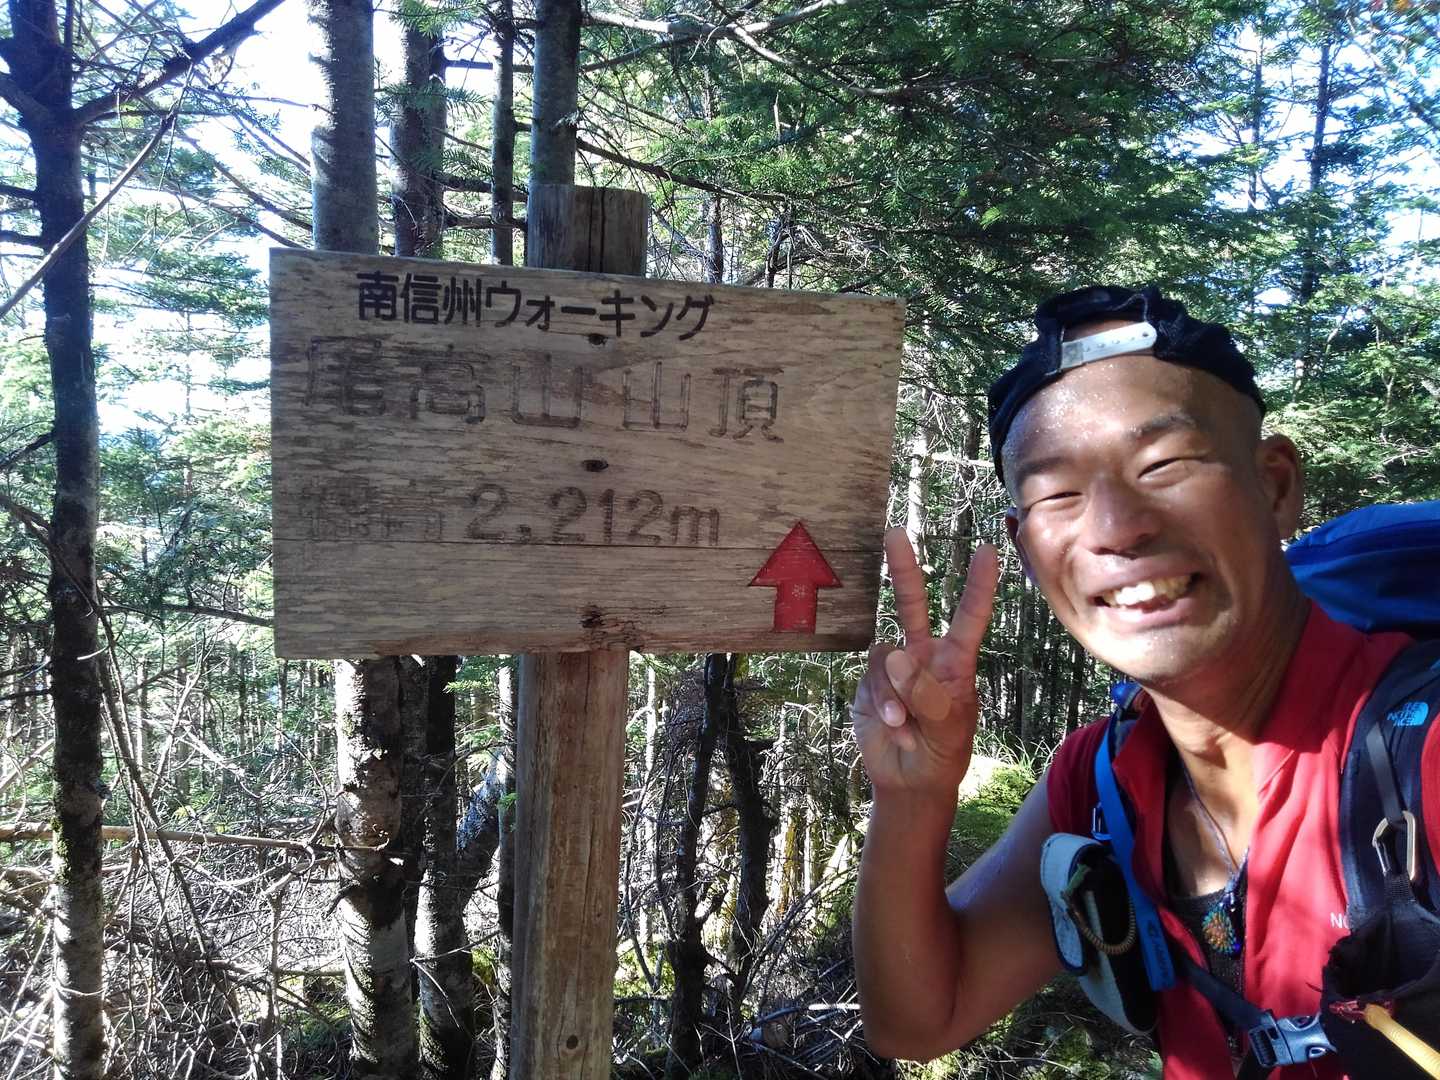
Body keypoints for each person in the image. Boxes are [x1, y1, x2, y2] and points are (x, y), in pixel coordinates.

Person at [849, 285, 1439, 1078]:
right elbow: (920, 1019)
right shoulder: (1101, 783)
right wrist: (914, 796)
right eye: (1057, 495)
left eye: (1165, 464)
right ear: (1027, 552)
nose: (1116, 528)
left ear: (1275, 486)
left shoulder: (1421, 758)